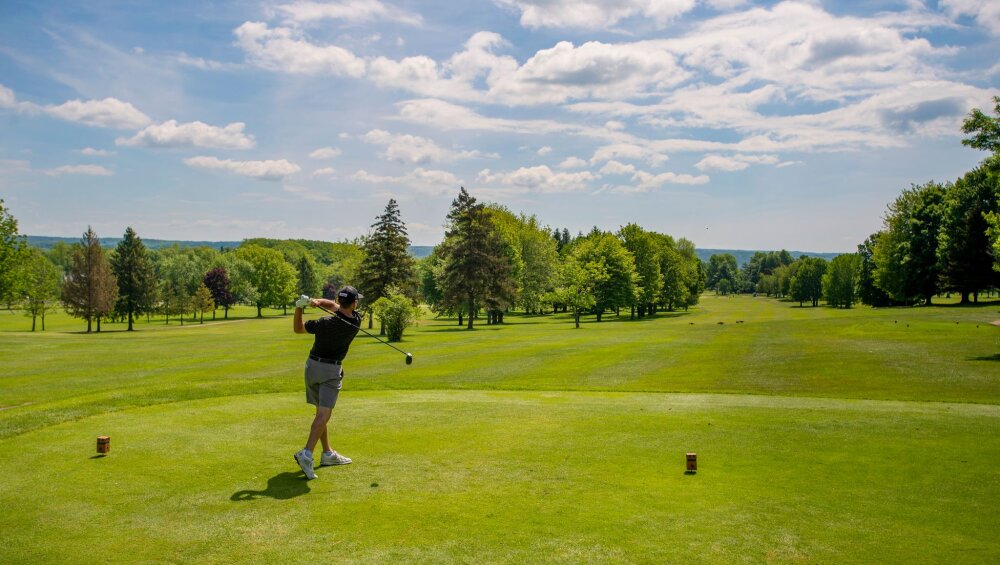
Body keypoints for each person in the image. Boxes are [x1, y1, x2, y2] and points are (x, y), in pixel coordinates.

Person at [291, 285, 363, 480]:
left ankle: (327, 453)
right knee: (323, 415)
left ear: (340, 301)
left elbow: (298, 329)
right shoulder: (356, 320)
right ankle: (306, 453)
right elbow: (333, 306)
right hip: (331, 371)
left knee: (320, 414)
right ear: (354, 303)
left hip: (311, 367)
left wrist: (300, 307)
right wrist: (316, 301)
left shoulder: (323, 323)